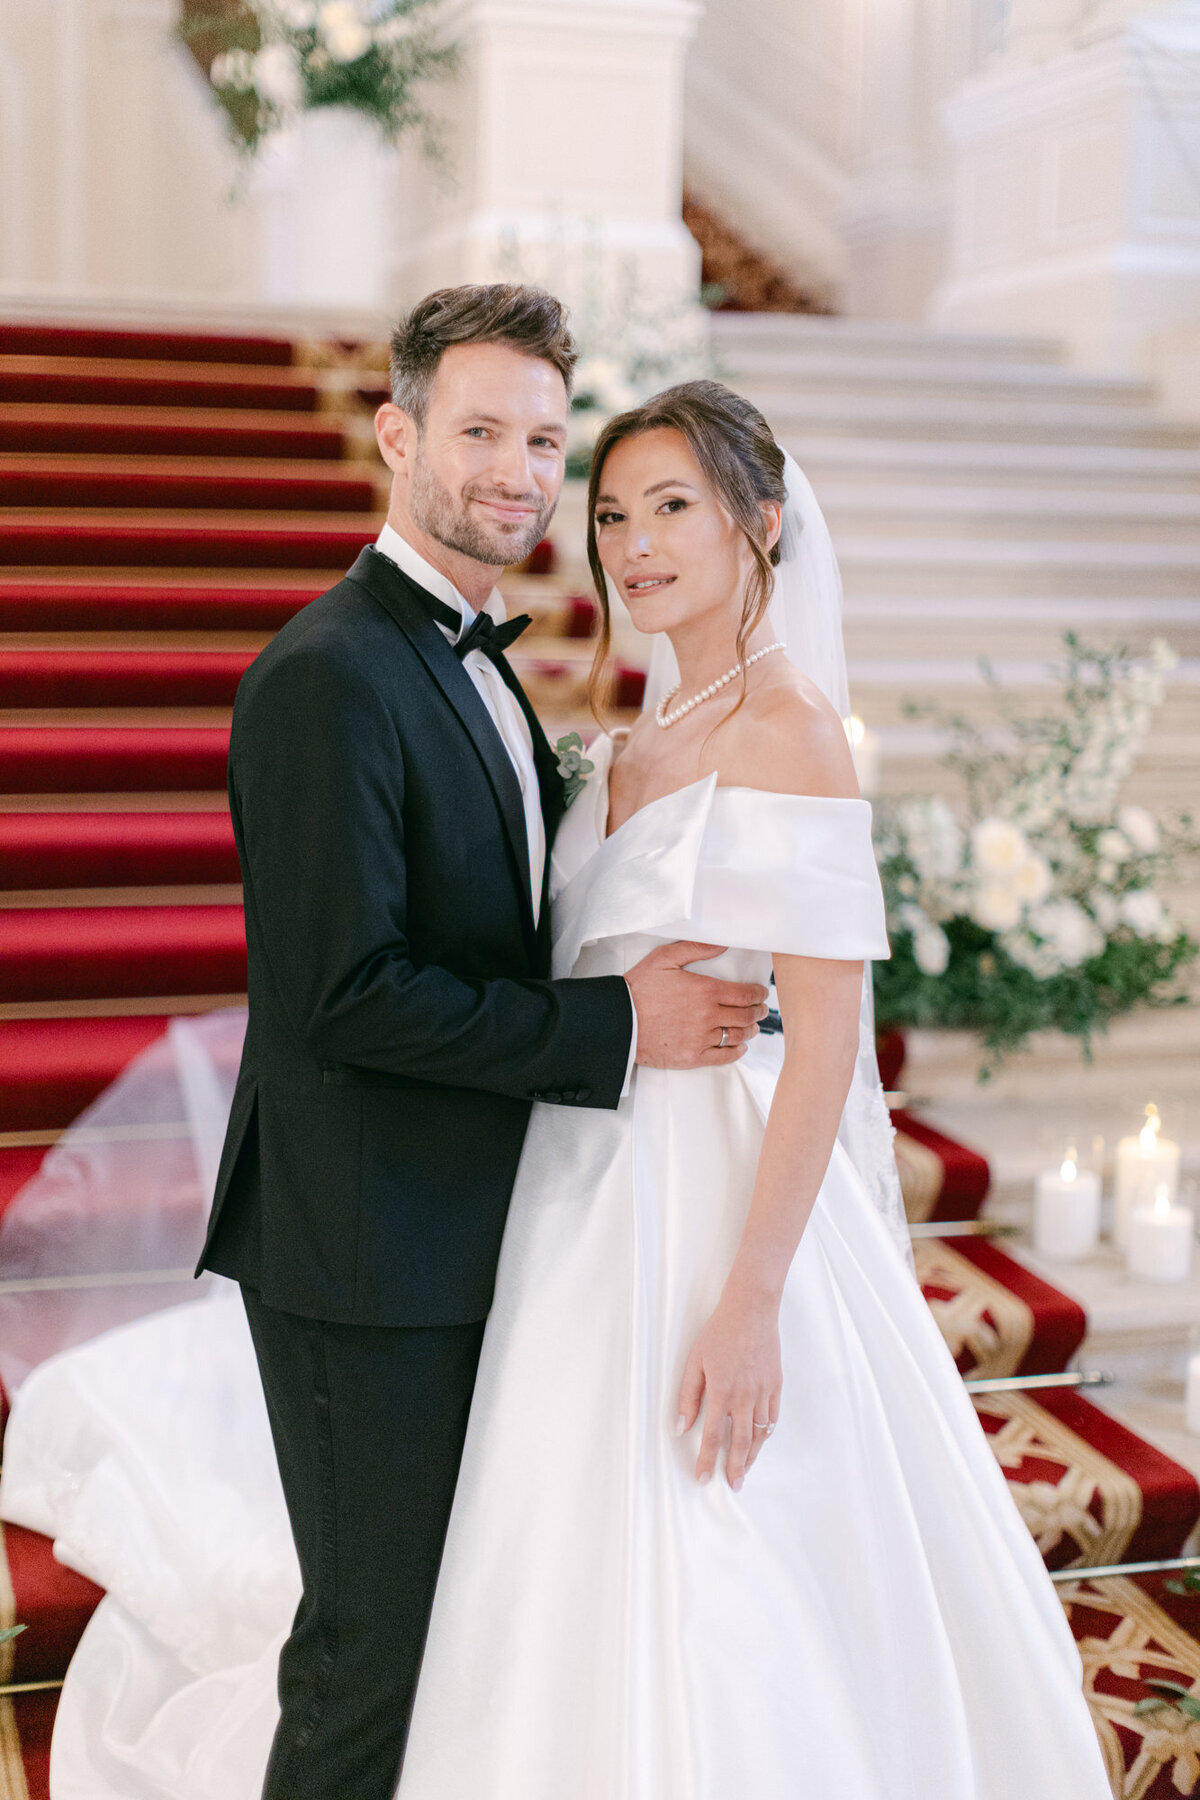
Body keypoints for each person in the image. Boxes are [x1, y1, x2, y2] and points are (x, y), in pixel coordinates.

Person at [0, 378, 1110, 1800]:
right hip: (568, 1187)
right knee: (524, 1555)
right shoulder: (621, 735)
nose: (635, 544)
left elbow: (828, 1038)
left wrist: (753, 1297)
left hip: (712, 1201)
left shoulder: (792, 731)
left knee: (710, 1559)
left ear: (760, 523)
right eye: (609, 513)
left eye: (672, 509)